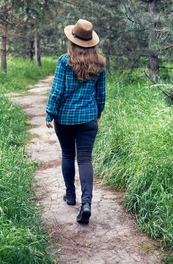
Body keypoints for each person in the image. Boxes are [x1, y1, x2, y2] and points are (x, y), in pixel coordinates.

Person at [45, 19, 106, 225]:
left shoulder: (64, 61)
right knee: (85, 159)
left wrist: (49, 113)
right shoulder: (99, 64)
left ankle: (70, 195)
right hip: (88, 118)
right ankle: (86, 203)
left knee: (68, 155)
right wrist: (97, 113)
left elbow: (57, 90)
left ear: (73, 40)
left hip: (65, 118)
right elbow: (101, 94)